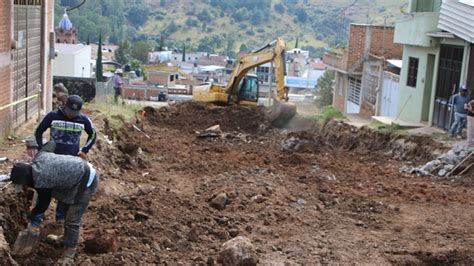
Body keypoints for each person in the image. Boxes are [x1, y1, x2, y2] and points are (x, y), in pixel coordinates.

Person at [9, 141, 98, 264]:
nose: (25, 187)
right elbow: (51, 144)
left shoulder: (41, 179)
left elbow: (43, 203)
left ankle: (69, 253)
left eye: (24, 184)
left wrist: (31, 216)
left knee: (72, 219)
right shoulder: (39, 156)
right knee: (66, 208)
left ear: (27, 179)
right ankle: (65, 238)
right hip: (74, 174)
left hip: (86, 178)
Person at [34, 95, 96, 223]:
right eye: (70, 111)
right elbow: (39, 131)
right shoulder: (53, 116)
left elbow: (93, 134)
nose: (72, 115)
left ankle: (60, 218)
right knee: (45, 188)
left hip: (71, 161)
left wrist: (84, 150)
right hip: (52, 160)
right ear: (65, 106)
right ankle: (38, 217)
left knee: (66, 189)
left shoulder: (83, 119)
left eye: (75, 113)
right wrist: (42, 149)